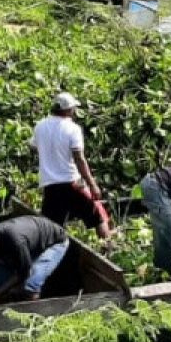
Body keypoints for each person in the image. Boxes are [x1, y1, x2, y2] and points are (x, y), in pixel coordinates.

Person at [32, 93, 113, 239]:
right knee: (98, 216)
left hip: (50, 186)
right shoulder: (72, 128)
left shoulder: (40, 126)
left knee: (52, 228)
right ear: (69, 110)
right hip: (71, 183)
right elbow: (79, 159)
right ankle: (108, 249)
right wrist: (92, 184)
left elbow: (33, 146)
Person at [0, 216, 70, 303]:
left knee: (30, 284)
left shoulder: (14, 241)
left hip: (54, 242)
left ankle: (31, 316)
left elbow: (24, 273)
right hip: (29, 246)